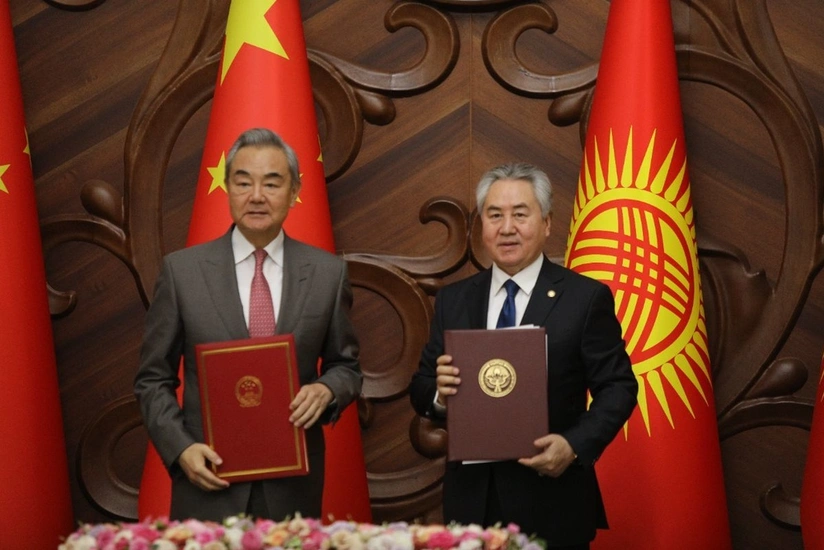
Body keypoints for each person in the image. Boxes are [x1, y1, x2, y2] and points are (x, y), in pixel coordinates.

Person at [134, 128, 362, 521]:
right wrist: (180, 448)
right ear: (227, 188)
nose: (256, 196)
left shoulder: (328, 274)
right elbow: (153, 378)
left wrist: (327, 390)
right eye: (243, 182)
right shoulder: (182, 273)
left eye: (272, 183)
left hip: (293, 488)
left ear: (294, 191)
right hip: (207, 482)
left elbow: (347, 367)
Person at [409, 162, 638, 549]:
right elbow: (422, 385)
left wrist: (574, 445)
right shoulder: (454, 299)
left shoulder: (584, 298)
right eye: (494, 215)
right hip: (473, 505)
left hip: (552, 501)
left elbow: (618, 387)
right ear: (481, 225)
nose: (507, 228)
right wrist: (439, 396)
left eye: (520, 214)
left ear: (546, 223)